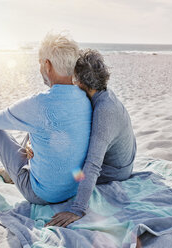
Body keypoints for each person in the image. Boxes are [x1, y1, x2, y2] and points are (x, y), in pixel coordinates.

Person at [0, 33, 92, 205]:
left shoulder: (38, 103)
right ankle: (10, 174)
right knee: (40, 129)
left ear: (47, 65)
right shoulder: (85, 99)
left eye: (40, 63)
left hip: (43, 194)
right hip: (73, 188)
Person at [44, 49, 137, 227]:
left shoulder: (105, 110)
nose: (72, 82)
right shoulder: (102, 94)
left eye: (74, 79)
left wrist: (77, 209)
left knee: (65, 165)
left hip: (117, 171)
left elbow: (94, 163)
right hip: (123, 159)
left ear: (81, 83)